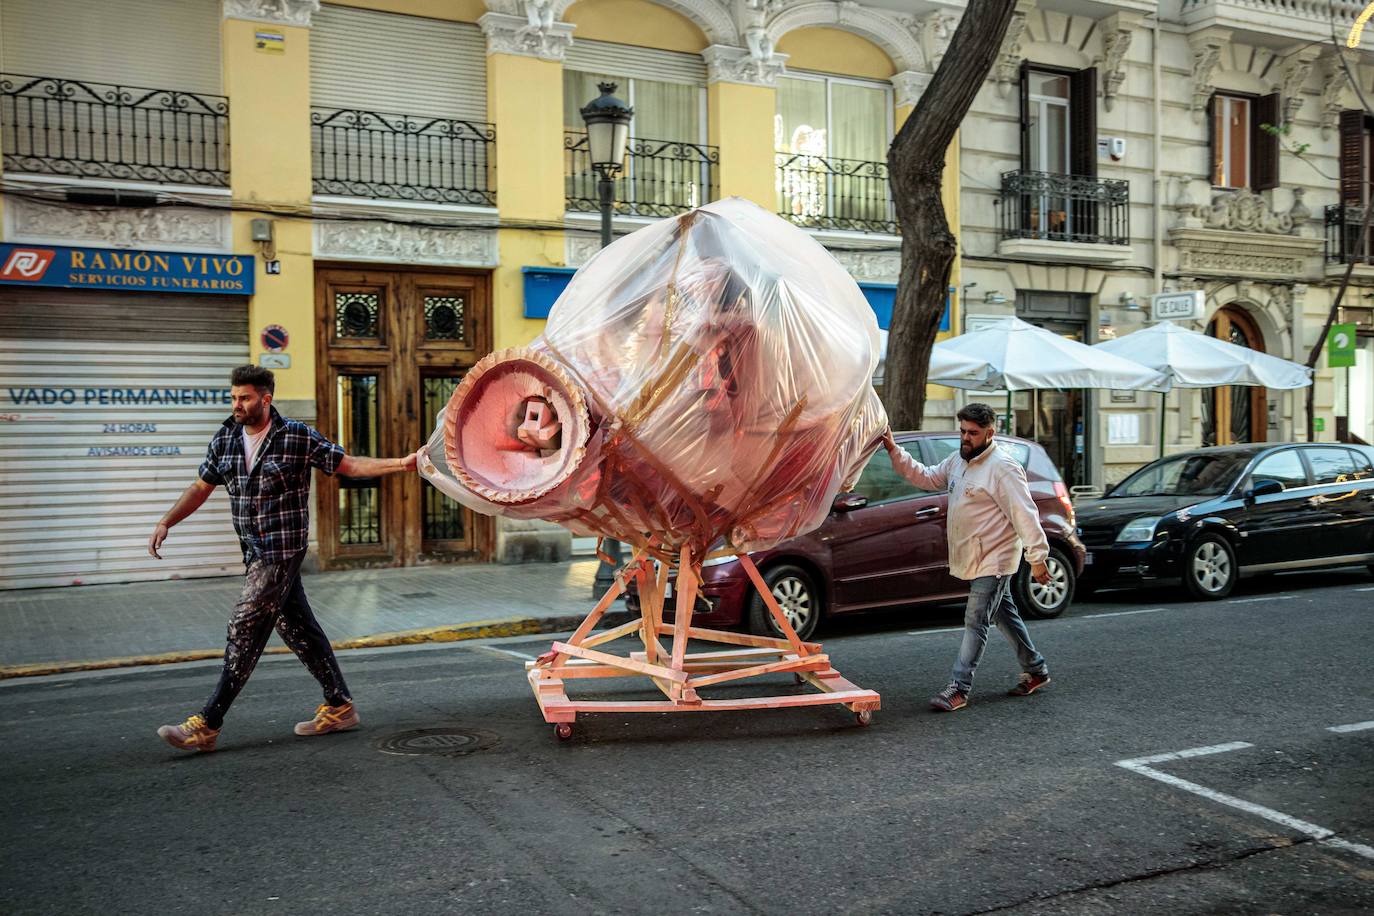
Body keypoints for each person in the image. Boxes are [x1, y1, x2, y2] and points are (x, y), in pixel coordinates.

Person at [149, 365, 418, 752]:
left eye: (245, 398)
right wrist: (167, 521)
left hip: (281, 551)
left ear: (266, 398)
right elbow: (201, 486)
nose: (237, 405)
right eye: (233, 397)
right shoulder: (225, 437)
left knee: (245, 626)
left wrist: (400, 464)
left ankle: (207, 724)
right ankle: (340, 705)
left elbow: (347, 465)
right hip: (253, 552)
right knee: (298, 629)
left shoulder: (296, 436)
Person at [882, 402, 1053, 712]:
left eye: (973, 433)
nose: (965, 438)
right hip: (973, 555)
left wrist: (1038, 558)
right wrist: (896, 451)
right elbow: (928, 476)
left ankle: (958, 687)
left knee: (976, 618)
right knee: (1003, 613)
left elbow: (1024, 514)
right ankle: (1037, 669)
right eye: (962, 431)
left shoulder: (1004, 467)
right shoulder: (958, 461)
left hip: (995, 558)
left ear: (990, 433)